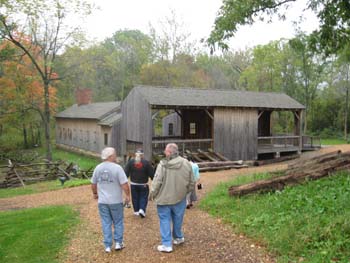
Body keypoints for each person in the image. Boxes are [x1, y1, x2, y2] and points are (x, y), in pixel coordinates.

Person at [149, 143, 195, 253]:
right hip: (180, 197)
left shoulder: (163, 164)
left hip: (164, 198)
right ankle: (178, 237)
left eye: (165, 151)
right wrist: (185, 192)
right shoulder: (186, 163)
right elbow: (192, 182)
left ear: (169, 152)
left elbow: (157, 181)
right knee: (178, 218)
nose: (164, 152)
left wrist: (152, 194)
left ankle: (166, 244)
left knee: (164, 220)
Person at [91, 147, 131, 253]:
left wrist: (95, 194)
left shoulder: (98, 168)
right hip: (116, 201)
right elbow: (124, 184)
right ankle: (118, 243)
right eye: (114, 154)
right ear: (110, 156)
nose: (115, 156)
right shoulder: (117, 168)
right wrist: (127, 195)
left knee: (106, 222)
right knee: (118, 221)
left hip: (103, 201)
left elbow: (93, 183)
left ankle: (107, 245)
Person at [124, 149, 154, 218]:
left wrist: (125, 179)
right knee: (143, 197)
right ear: (142, 155)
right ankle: (142, 209)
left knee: (135, 197)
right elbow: (151, 173)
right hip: (143, 184)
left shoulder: (131, 162)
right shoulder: (146, 163)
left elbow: (126, 172)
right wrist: (153, 178)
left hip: (133, 184)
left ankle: (136, 211)